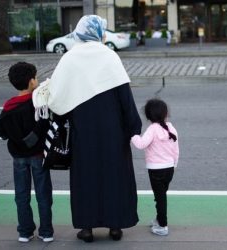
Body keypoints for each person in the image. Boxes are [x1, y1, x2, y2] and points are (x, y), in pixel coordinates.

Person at [32, 15, 142, 242]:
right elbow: (125, 97)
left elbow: (57, 99)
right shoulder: (110, 56)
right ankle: (115, 225)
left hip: (82, 132)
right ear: (99, 32)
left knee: (85, 179)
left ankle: (87, 228)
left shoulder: (70, 58)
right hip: (114, 132)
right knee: (115, 177)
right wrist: (133, 127)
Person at [0, 62, 53, 243]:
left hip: (18, 157)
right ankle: (46, 232)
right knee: (43, 194)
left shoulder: (8, 107)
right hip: (38, 156)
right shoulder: (38, 104)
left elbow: (2, 132)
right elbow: (47, 125)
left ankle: (25, 231)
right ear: (31, 82)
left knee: (21, 195)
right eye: (35, 77)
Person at [131, 98, 179, 236]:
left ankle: (163, 225)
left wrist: (132, 135)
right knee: (161, 196)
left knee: (160, 198)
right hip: (169, 168)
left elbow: (141, 144)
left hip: (156, 170)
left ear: (148, 116)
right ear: (165, 114)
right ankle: (159, 219)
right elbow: (176, 149)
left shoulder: (152, 129)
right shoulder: (171, 127)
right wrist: (174, 164)